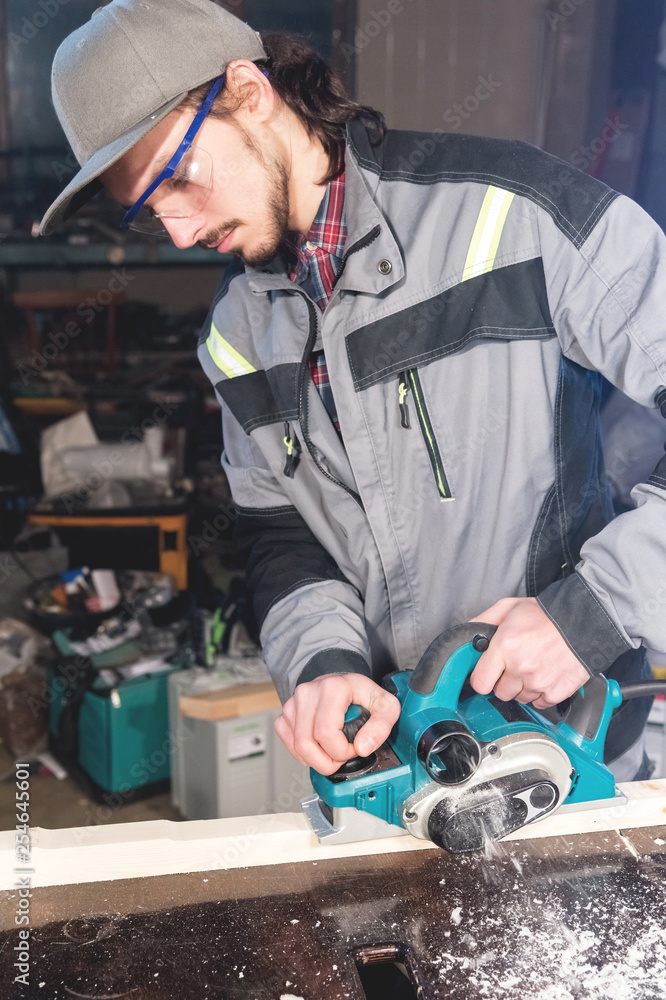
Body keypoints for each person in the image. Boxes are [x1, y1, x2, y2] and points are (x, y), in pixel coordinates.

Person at [41, 0, 662, 782]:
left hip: (571, 747)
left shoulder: (511, 214)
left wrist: (593, 612)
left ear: (248, 91)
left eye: (180, 179)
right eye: (147, 210)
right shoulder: (234, 339)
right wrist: (324, 665)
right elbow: (283, 538)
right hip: (400, 767)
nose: (178, 233)